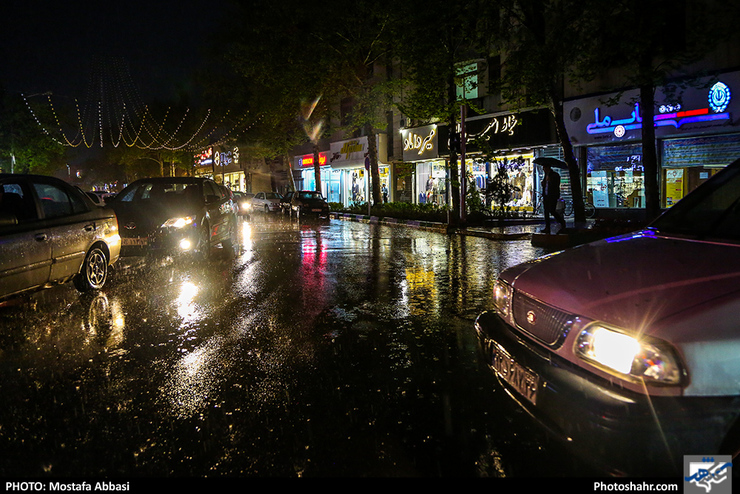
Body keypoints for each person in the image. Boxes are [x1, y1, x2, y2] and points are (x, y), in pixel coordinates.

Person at [541, 163, 566, 234]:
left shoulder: (555, 175)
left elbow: (556, 185)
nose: (543, 170)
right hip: (546, 195)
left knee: (552, 210)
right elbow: (545, 185)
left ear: (548, 168)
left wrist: (550, 181)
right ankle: (547, 227)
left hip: (552, 196)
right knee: (546, 212)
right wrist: (543, 184)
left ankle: (561, 222)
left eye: (544, 168)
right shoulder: (546, 175)